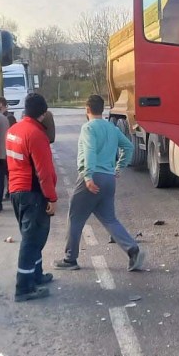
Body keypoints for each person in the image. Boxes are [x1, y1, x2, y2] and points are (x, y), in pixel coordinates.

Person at [55, 95, 145, 272]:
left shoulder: (88, 128)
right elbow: (128, 147)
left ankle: (70, 259)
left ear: (87, 109)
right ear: (102, 109)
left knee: (75, 217)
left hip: (93, 177)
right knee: (109, 219)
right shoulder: (112, 128)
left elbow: (89, 150)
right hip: (109, 178)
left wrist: (88, 176)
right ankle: (132, 249)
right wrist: (119, 167)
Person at [6, 93, 58, 302]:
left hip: (16, 190)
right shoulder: (36, 134)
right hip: (32, 193)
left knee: (31, 238)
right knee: (32, 240)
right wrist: (52, 198)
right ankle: (24, 288)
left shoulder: (13, 130)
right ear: (43, 114)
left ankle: (36, 275)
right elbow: (44, 171)